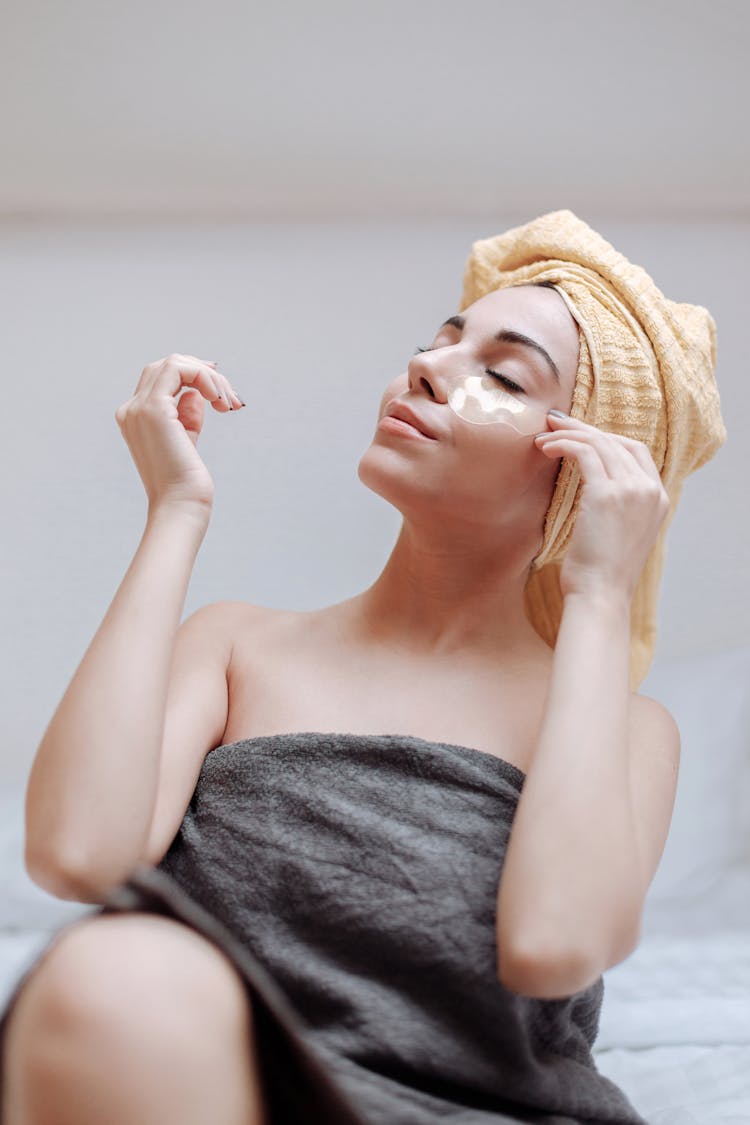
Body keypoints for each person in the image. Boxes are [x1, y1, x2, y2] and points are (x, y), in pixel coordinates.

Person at [0, 211, 726, 1125]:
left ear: (579, 475)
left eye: (501, 376)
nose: (429, 367)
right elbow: (75, 858)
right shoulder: (236, 647)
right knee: (114, 972)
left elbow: (554, 945)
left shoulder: (624, 730)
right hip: (219, 1094)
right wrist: (176, 510)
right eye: (439, 341)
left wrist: (599, 595)